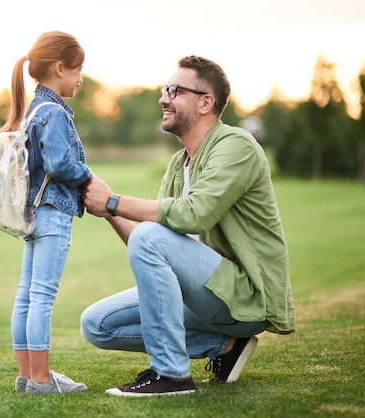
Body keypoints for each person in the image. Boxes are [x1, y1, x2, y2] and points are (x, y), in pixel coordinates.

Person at [80, 55, 295, 396]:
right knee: (96, 325)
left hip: (246, 297)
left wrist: (113, 200)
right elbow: (148, 241)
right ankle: (226, 346)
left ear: (206, 102)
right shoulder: (179, 164)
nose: (163, 98)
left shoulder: (236, 146)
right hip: (204, 294)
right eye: (165, 89)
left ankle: (171, 375)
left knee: (152, 236)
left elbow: (195, 215)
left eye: (175, 90)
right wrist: (106, 210)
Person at [1, 31, 92, 395]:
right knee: (41, 297)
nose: (81, 77)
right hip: (53, 213)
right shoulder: (53, 112)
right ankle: (41, 379)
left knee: (26, 294)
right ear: (59, 68)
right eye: (78, 70)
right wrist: (89, 175)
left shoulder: (31, 110)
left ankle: (27, 376)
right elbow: (58, 163)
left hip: (31, 215)